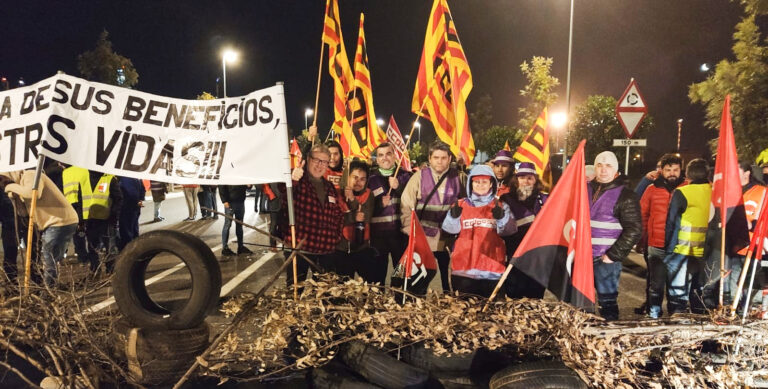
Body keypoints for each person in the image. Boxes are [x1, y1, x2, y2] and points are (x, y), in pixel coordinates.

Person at [400, 140, 466, 292]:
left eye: (443, 158)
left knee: (448, 279)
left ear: (450, 159)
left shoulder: (460, 178)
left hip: (448, 240)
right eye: (436, 157)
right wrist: (410, 231)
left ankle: (448, 305)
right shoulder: (419, 177)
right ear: (430, 158)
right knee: (420, 279)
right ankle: (417, 304)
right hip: (424, 238)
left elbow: (467, 204)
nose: (440, 161)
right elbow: (406, 204)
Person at [442, 165, 516, 296]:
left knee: (491, 314)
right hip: (463, 271)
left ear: (491, 184)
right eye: (476, 182)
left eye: (484, 182)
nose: (480, 185)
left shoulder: (500, 206)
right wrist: (453, 217)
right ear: (471, 183)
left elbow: (509, 231)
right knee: (464, 312)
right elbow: (450, 230)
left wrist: (502, 218)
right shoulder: (460, 205)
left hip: (491, 271)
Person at [588, 151, 642, 320]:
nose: (603, 170)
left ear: (616, 170)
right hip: (582, 258)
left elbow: (634, 229)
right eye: (599, 165)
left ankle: (608, 340)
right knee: (581, 304)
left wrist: (612, 256)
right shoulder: (584, 190)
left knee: (607, 304)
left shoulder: (626, 195)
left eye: (608, 166)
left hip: (606, 260)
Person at [281, 143, 345, 286]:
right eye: (317, 160)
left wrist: (335, 237)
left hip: (325, 250)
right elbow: (284, 200)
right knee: (295, 290)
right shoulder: (299, 180)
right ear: (309, 159)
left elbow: (338, 214)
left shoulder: (329, 187)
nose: (320, 165)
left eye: (324, 162)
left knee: (324, 293)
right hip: (299, 249)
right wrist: (293, 179)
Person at [1, 171, 78, 287]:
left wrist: (10, 186)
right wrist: (15, 197)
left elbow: (34, 194)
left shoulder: (31, 175)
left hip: (58, 221)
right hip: (58, 222)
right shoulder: (21, 184)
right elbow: (24, 213)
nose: (3, 184)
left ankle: (48, 289)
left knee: (47, 257)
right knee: (51, 259)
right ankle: (51, 285)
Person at [640, 154, 685, 318]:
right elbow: (643, 215)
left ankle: (676, 317)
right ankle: (654, 317)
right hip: (656, 245)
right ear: (661, 171)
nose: (672, 173)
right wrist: (643, 240)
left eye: (675, 169)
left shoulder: (687, 187)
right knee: (656, 285)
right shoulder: (651, 189)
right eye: (668, 170)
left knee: (677, 286)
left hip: (680, 246)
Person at [664, 158, 711, 314]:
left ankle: (678, 329)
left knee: (678, 298)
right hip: (706, 253)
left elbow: (671, 223)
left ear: (688, 175)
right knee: (699, 296)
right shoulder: (716, 191)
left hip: (682, 251)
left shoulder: (682, 192)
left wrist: (668, 251)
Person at [499, 162, 549, 299]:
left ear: (535, 180)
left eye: (529, 178)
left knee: (535, 298)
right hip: (515, 257)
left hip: (538, 259)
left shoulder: (546, 200)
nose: (525, 182)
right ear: (516, 180)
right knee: (514, 295)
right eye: (521, 178)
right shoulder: (506, 199)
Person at [368, 143, 412, 276]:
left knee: (401, 274)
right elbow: (364, 207)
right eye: (380, 155)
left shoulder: (406, 176)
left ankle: (398, 296)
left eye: (388, 154)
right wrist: (379, 204)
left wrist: (399, 187)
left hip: (400, 236)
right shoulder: (370, 179)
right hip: (378, 237)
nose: (384, 158)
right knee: (377, 276)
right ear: (377, 159)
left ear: (394, 156)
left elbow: (415, 200)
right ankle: (377, 297)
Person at [330, 161, 378, 281]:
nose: (358, 182)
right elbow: (334, 219)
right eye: (355, 177)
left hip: (362, 249)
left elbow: (365, 216)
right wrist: (351, 217)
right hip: (340, 249)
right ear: (347, 176)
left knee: (370, 285)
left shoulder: (369, 194)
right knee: (342, 288)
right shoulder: (335, 193)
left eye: (362, 179)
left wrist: (352, 199)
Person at [727, 161, 767, 307]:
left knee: (750, 280)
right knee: (732, 280)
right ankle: (734, 309)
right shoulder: (730, 191)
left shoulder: (761, 191)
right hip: (731, 244)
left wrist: (753, 225)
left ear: (747, 173)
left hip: (752, 244)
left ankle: (748, 308)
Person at [219, 184, 252, 256]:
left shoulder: (241, 173)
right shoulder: (227, 173)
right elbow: (221, 185)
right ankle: (225, 248)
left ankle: (240, 247)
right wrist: (224, 201)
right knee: (227, 225)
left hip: (240, 202)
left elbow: (248, 187)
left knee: (239, 225)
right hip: (230, 203)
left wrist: (249, 185)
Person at [117, 176, 144, 251]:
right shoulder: (136, 176)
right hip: (135, 206)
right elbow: (142, 189)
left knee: (126, 229)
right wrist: (140, 200)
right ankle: (136, 246)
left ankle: (129, 250)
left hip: (127, 207)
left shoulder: (124, 178)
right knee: (134, 227)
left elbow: (130, 193)